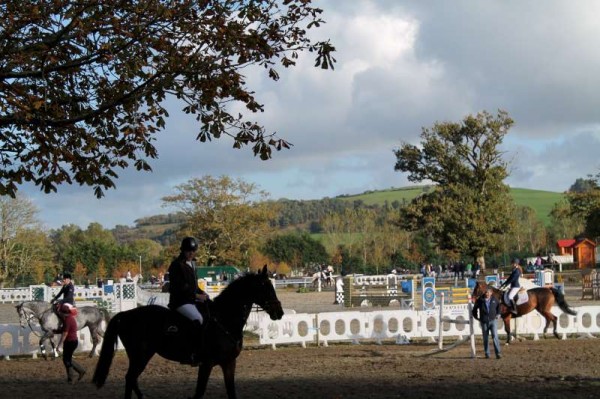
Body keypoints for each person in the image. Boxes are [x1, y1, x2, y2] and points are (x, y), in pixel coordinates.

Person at [168, 236, 210, 366]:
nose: (191, 253)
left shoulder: (192, 264)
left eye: (193, 251)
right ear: (183, 251)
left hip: (191, 300)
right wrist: (197, 296)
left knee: (208, 313)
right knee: (198, 319)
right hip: (180, 302)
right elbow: (181, 287)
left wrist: (203, 293)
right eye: (188, 251)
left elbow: (194, 285)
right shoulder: (176, 265)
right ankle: (191, 353)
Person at [56, 304, 86, 383]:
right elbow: (64, 330)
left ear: (63, 313)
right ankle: (80, 371)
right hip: (72, 341)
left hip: (70, 342)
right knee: (67, 359)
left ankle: (73, 377)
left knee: (67, 360)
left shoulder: (67, 320)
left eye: (60, 312)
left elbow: (65, 334)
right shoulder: (69, 318)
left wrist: (59, 345)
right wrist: (55, 331)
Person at [472, 286, 502, 359]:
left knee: (495, 336)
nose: (487, 294)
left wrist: (498, 314)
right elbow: (474, 309)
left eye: (488, 292)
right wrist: (477, 317)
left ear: (491, 293)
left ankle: (498, 353)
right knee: (485, 338)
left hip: (493, 321)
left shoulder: (494, 299)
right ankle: (487, 353)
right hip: (484, 321)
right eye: (486, 292)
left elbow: (499, 307)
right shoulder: (480, 300)